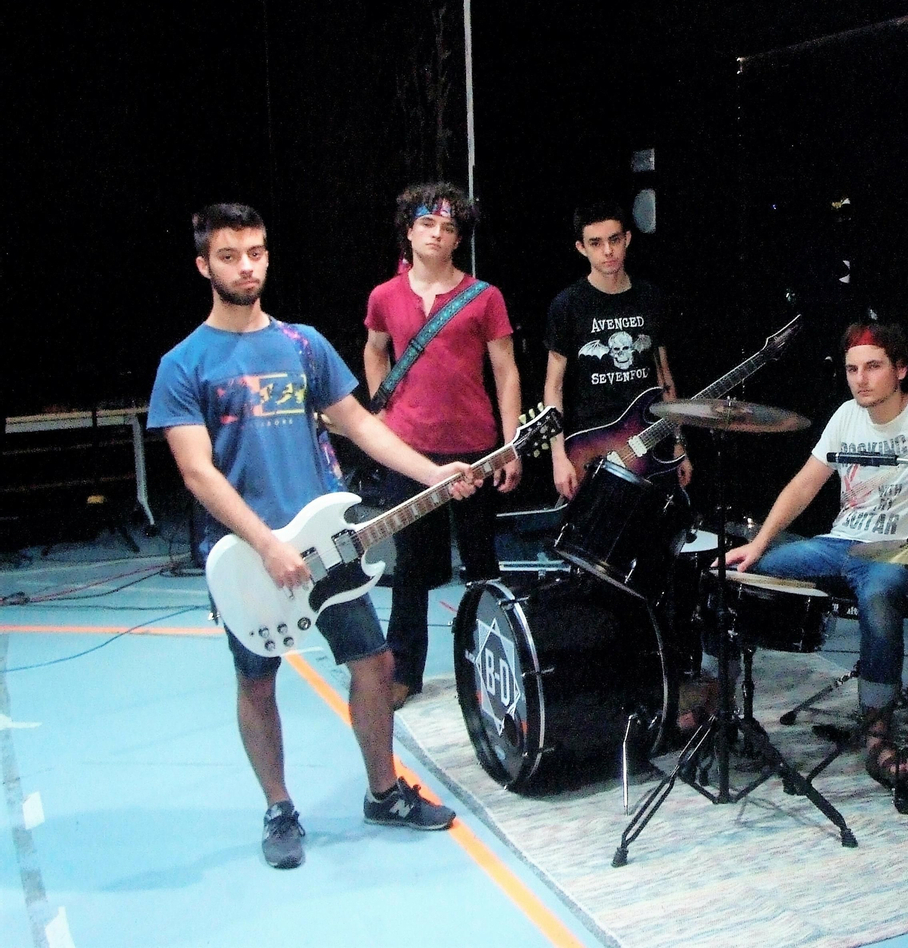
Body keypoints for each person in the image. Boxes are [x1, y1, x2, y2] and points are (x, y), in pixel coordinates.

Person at [150, 204, 479, 870]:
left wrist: (433, 475)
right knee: (258, 683)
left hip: (329, 547)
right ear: (203, 266)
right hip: (246, 557)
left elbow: (361, 425)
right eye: (230, 255)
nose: (247, 266)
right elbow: (196, 472)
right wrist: (265, 543)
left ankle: (383, 791)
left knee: (376, 665)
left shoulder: (303, 345)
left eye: (257, 252)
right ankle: (279, 808)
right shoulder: (183, 364)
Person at [724, 322, 908, 788]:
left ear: (900, 369)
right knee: (731, 572)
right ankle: (713, 709)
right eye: (852, 369)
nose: (861, 379)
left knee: (881, 596)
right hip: (839, 544)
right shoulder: (845, 415)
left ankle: (879, 738)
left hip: (899, 555)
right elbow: (805, 485)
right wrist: (759, 544)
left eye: (873, 367)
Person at [364, 182, 522, 710]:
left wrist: (512, 444)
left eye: (449, 227)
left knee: (481, 564)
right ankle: (403, 672)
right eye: (428, 223)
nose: (438, 234)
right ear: (409, 229)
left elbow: (506, 371)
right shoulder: (385, 296)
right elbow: (375, 351)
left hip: (475, 449)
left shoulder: (485, 296)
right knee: (409, 568)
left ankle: (493, 669)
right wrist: (382, 412)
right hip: (409, 453)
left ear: (458, 239)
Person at [543, 202, 690, 499]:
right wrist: (558, 457)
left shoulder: (650, 297)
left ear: (627, 239)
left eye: (614, 240)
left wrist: (679, 443)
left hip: (649, 439)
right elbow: (553, 387)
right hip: (592, 445)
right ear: (581, 248)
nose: (607, 251)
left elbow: (665, 378)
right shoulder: (568, 305)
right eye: (596, 243)